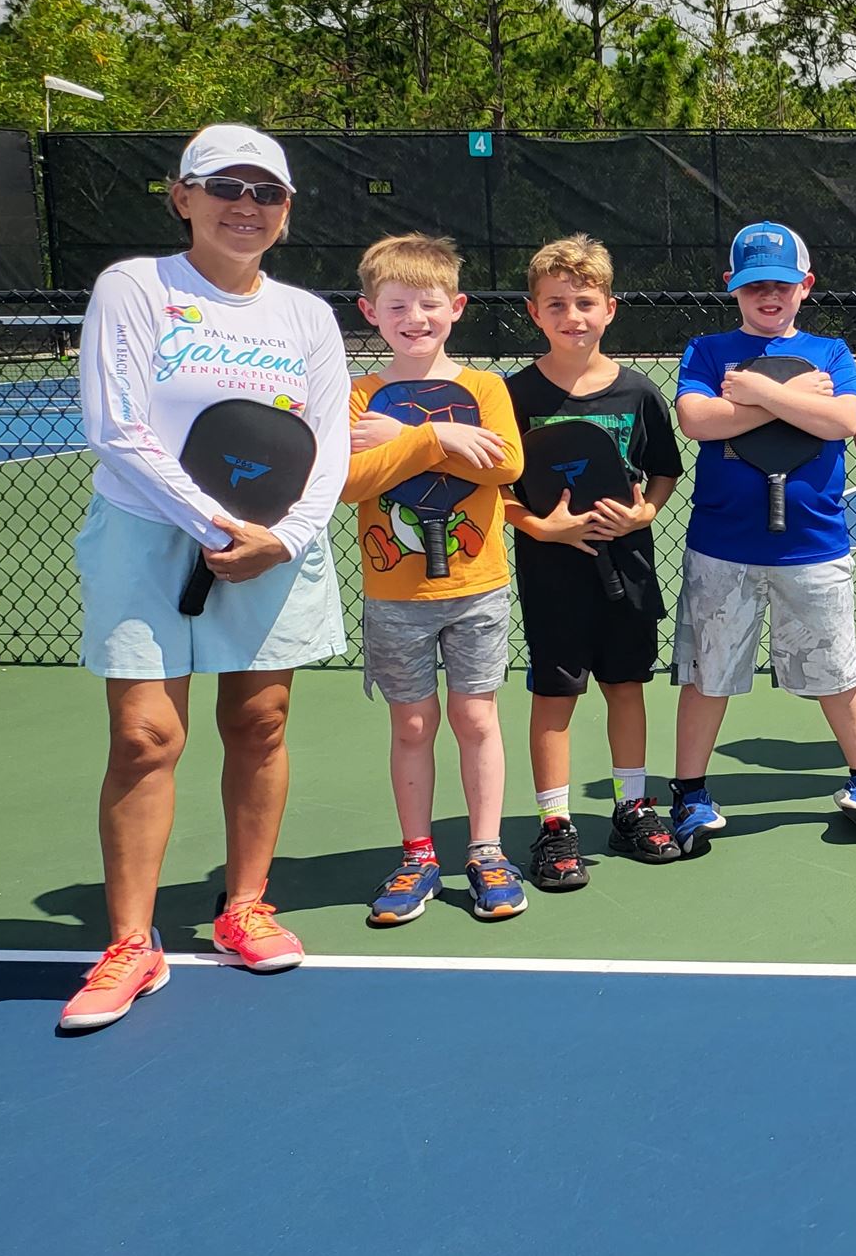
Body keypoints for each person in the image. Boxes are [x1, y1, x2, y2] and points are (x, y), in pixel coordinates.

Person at [60, 125, 351, 1032]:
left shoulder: (306, 315)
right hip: (147, 536)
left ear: (287, 210)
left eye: (267, 192)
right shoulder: (136, 286)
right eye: (224, 186)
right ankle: (130, 944)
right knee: (145, 737)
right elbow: (116, 425)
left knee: (260, 722)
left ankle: (245, 906)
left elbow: (330, 442)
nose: (245, 205)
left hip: (271, 542)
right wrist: (216, 524)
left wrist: (284, 538)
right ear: (182, 197)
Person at [668, 222, 856, 844]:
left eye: (782, 285)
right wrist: (794, 401)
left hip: (813, 547)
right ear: (732, 287)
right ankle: (690, 793)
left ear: (806, 286)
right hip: (722, 546)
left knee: (838, 671)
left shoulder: (831, 352)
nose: (769, 296)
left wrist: (758, 389)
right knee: (707, 675)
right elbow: (698, 419)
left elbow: (842, 420)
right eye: (754, 286)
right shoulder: (708, 350)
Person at [344, 234, 528, 928]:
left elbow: (505, 465)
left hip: (477, 588)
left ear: (456, 307)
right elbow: (348, 482)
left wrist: (399, 438)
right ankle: (418, 855)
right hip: (395, 595)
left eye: (428, 304)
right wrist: (437, 439)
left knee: (476, 718)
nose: (414, 318)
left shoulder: (485, 388)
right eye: (396, 306)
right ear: (370, 311)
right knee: (413, 723)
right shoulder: (359, 394)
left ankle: (486, 851)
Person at [503, 235, 686, 886]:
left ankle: (631, 807)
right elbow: (497, 488)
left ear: (610, 309)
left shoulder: (638, 392)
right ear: (534, 312)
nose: (572, 316)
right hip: (552, 573)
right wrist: (539, 527)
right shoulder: (515, 395)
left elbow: (663, 471)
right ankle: (554, 826)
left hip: (628, 567)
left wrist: (645, 515)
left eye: (585, 302)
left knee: (626, 686)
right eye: (556, 304)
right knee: (555, 695)